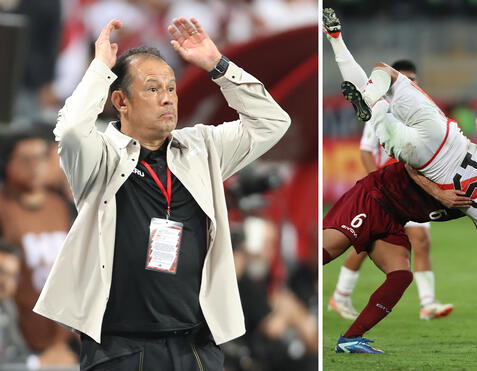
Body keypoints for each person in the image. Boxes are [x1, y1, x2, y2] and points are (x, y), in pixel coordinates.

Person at [34, 17, 290, 371]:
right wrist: (99, 70)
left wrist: (218, 65)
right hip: (120, 347)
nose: (167, 98)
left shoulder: (202, 148)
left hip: (197, 346)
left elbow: (272, 122)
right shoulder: (101, 156)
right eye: (153, 89)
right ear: (121, 100)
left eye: (171, 88)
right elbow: (73, 131)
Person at [322, 7, 477, 354]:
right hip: (390, 183)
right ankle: (370, 103)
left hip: (442, 136)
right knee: (324, 253)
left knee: (384, 74)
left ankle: (349, 340)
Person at [326, 49, 452, 321]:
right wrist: (377, 188)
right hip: (388, 189)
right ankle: (340, 295)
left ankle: (428, 303)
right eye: (404, 79)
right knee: (362, 241)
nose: (410, 83)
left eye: (413, 79)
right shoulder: (381, 110)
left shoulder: (421, 113)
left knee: (421, 240)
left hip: (415, 189)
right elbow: (365, 151)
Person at [0, 130, 77, 362]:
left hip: (66, 340)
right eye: (25, 159)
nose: (35, 166)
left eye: (41, 157)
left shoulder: (60, 206)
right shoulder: (3, 210)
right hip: (18, 341)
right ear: (7, 163)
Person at [0, 239, 76, 368]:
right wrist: (38, 362)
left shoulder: (7, 308)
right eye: (1, 272)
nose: (6, 282)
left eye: (13, 276)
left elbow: (19, 352)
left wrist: (45, 358)